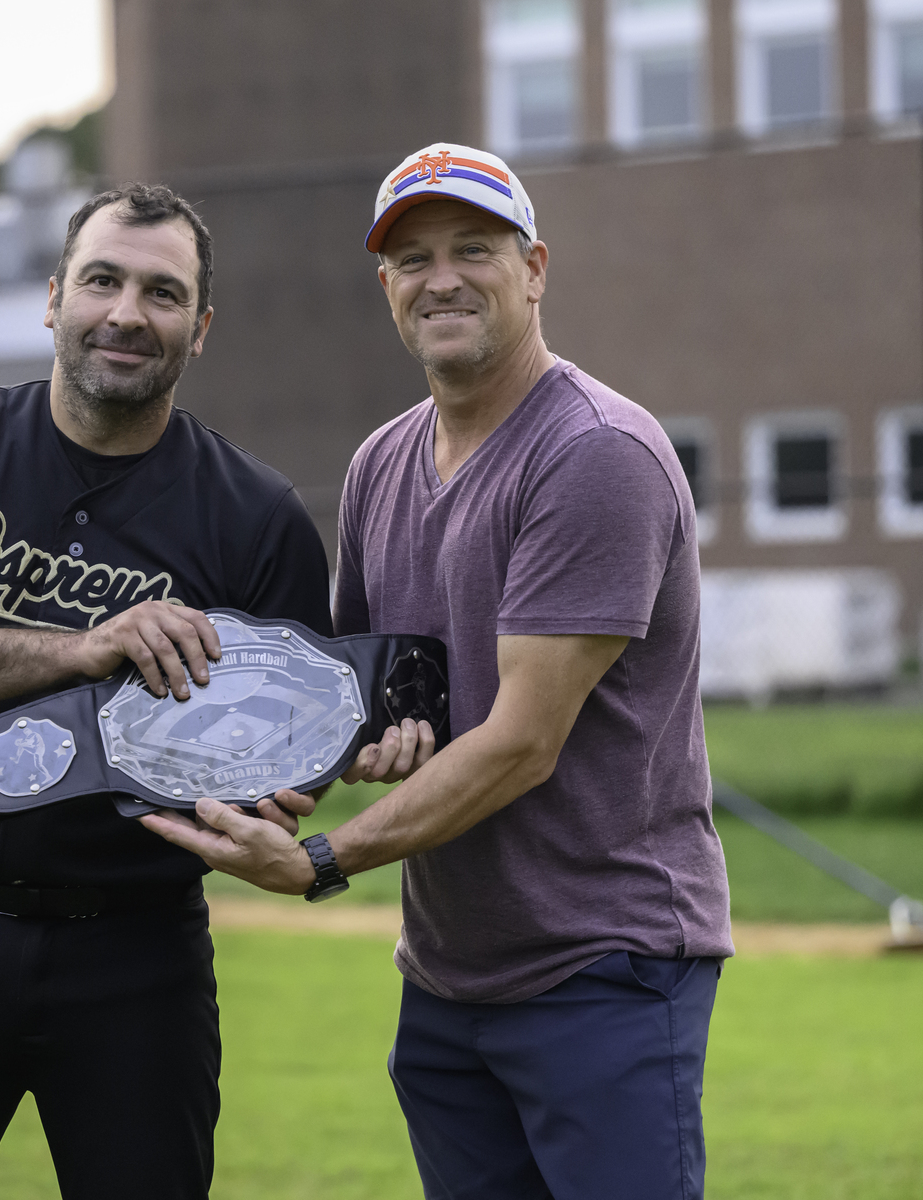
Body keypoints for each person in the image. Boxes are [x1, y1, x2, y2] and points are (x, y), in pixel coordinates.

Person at [143, 143, 734, 1199]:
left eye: (475, 247)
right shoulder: (381, 462)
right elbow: (356, 700)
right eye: (411, 258)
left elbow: (521, 743)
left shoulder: (594, 455)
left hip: (603, 965)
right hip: (451, 975)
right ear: (386, 289)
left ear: (536, 268)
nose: (442, 276)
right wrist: (206, 772)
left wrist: (319, 860)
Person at [0, 182, 332, 1200]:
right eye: (102, 280)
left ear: (201, 328)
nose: (127, 313)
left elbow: (291, 750)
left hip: (139, 956)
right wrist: (88, 647)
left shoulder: (257, 516)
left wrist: (314, 777)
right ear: (54, 297)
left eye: (162, 292)